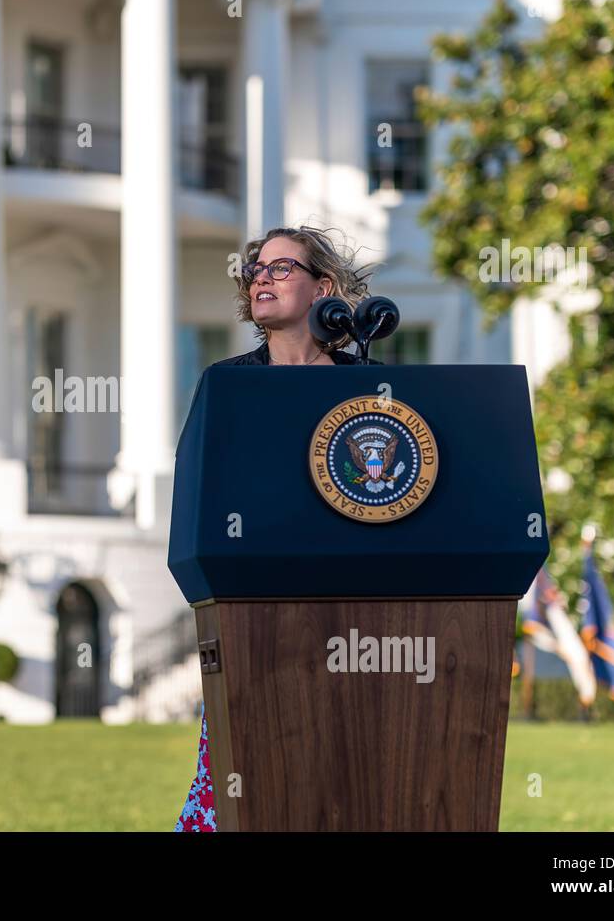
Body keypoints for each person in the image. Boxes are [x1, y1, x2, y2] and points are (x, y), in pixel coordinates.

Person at [174, 224, 380, 832]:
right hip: (253, 609)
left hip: (361, 612)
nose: (262, 277)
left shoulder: (368, 383)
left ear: (325, 288)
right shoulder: (227, 384)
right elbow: (200, 492)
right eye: (257, 269)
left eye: (282, 268)